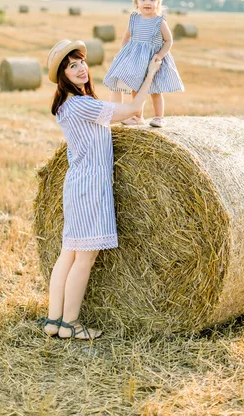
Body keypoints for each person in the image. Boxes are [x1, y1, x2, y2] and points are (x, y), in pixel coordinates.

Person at [39, 39, 162, 340]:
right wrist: (150, 74)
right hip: (91, 188)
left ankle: (54, 321)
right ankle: (71, 324)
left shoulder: (72, 105)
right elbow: (133, 106)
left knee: (68, 254)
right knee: (85, 257)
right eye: (72, 66)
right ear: (63, 75)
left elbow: (116, 117)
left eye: (81, 62)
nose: (80, 68)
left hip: (78, 185)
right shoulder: (82, 105)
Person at [103, 0, 184, 128]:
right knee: (136, 89)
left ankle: (159, 117)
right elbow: (126, 37)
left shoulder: (159, 21)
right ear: (137, 1)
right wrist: (123, 54)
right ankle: (137, 116)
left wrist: (160, 55)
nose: (147, 3)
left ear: (158, 2)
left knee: (155, 91)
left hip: (152, 60)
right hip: (136, 61)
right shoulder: (134, 19)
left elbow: (168, 41)